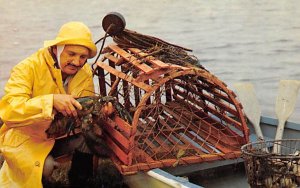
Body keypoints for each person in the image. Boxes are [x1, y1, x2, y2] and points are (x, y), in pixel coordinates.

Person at [0, 21, 106, 187]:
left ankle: (80, 182)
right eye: (71, 54)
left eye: (82, 57)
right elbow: (9, 111)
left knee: (87, 140)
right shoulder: (28, 67)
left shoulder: (84, 71)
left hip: (60, 134)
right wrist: (50, 101)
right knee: (45, 167)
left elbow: (85, 105)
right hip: (27, 137)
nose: (77, 62)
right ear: (57, 49)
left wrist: (101, 110)